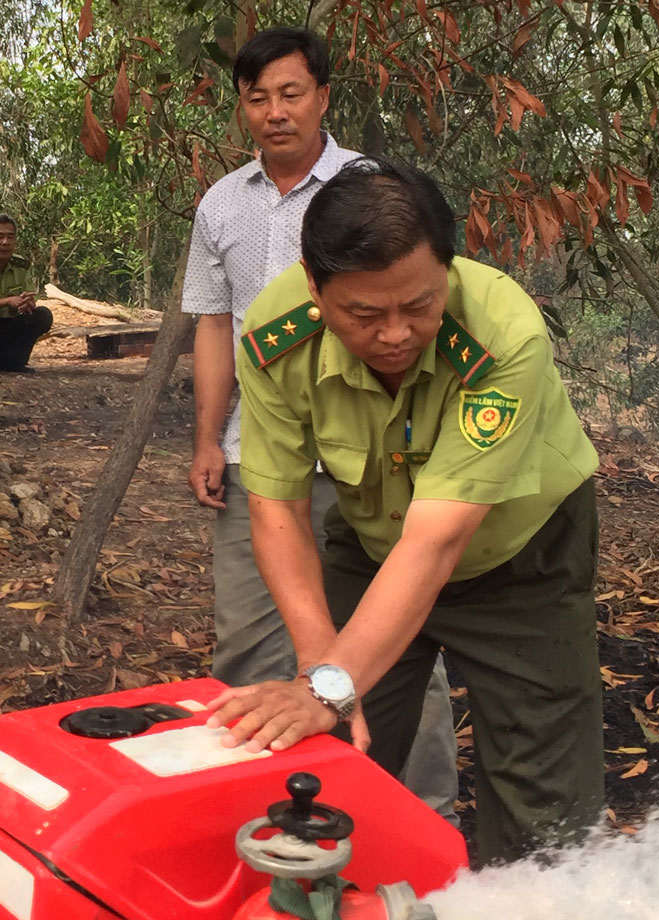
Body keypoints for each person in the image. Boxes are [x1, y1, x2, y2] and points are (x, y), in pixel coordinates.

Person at [206, 156, 604, 920]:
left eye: (415, 306)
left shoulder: (499, 332)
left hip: (513, 553)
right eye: (361, 313)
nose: (391, 332)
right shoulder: (275, 332)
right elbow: (278, 504)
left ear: (448, 272)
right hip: (364, 540)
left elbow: (437, 545)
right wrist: (316, 673)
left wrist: (330, 683)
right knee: (343, 779)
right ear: (316, 291)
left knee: (539, 804)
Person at [181, 28, 458, 816]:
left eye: (291, 93)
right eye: (257, 97)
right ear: (241, 107)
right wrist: (207, 436)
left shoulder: (372, 189)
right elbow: (215, 322)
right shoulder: (220, 204)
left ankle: (420, 809)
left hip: (372, 455)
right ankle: (262, 809)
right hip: (259, 453)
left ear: (324, 96)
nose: (275, 112)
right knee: (246, 640)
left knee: (397, 638)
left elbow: (416, 309)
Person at [0, 214, 52, 374]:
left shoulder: (22, 266)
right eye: (0, 236)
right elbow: (9, 301)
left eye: (10, 237)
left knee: (42, 315)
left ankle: (11, 362)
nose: (5, 242)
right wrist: (7, 301)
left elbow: (28, 298)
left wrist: (26, 304)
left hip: (7, 325)